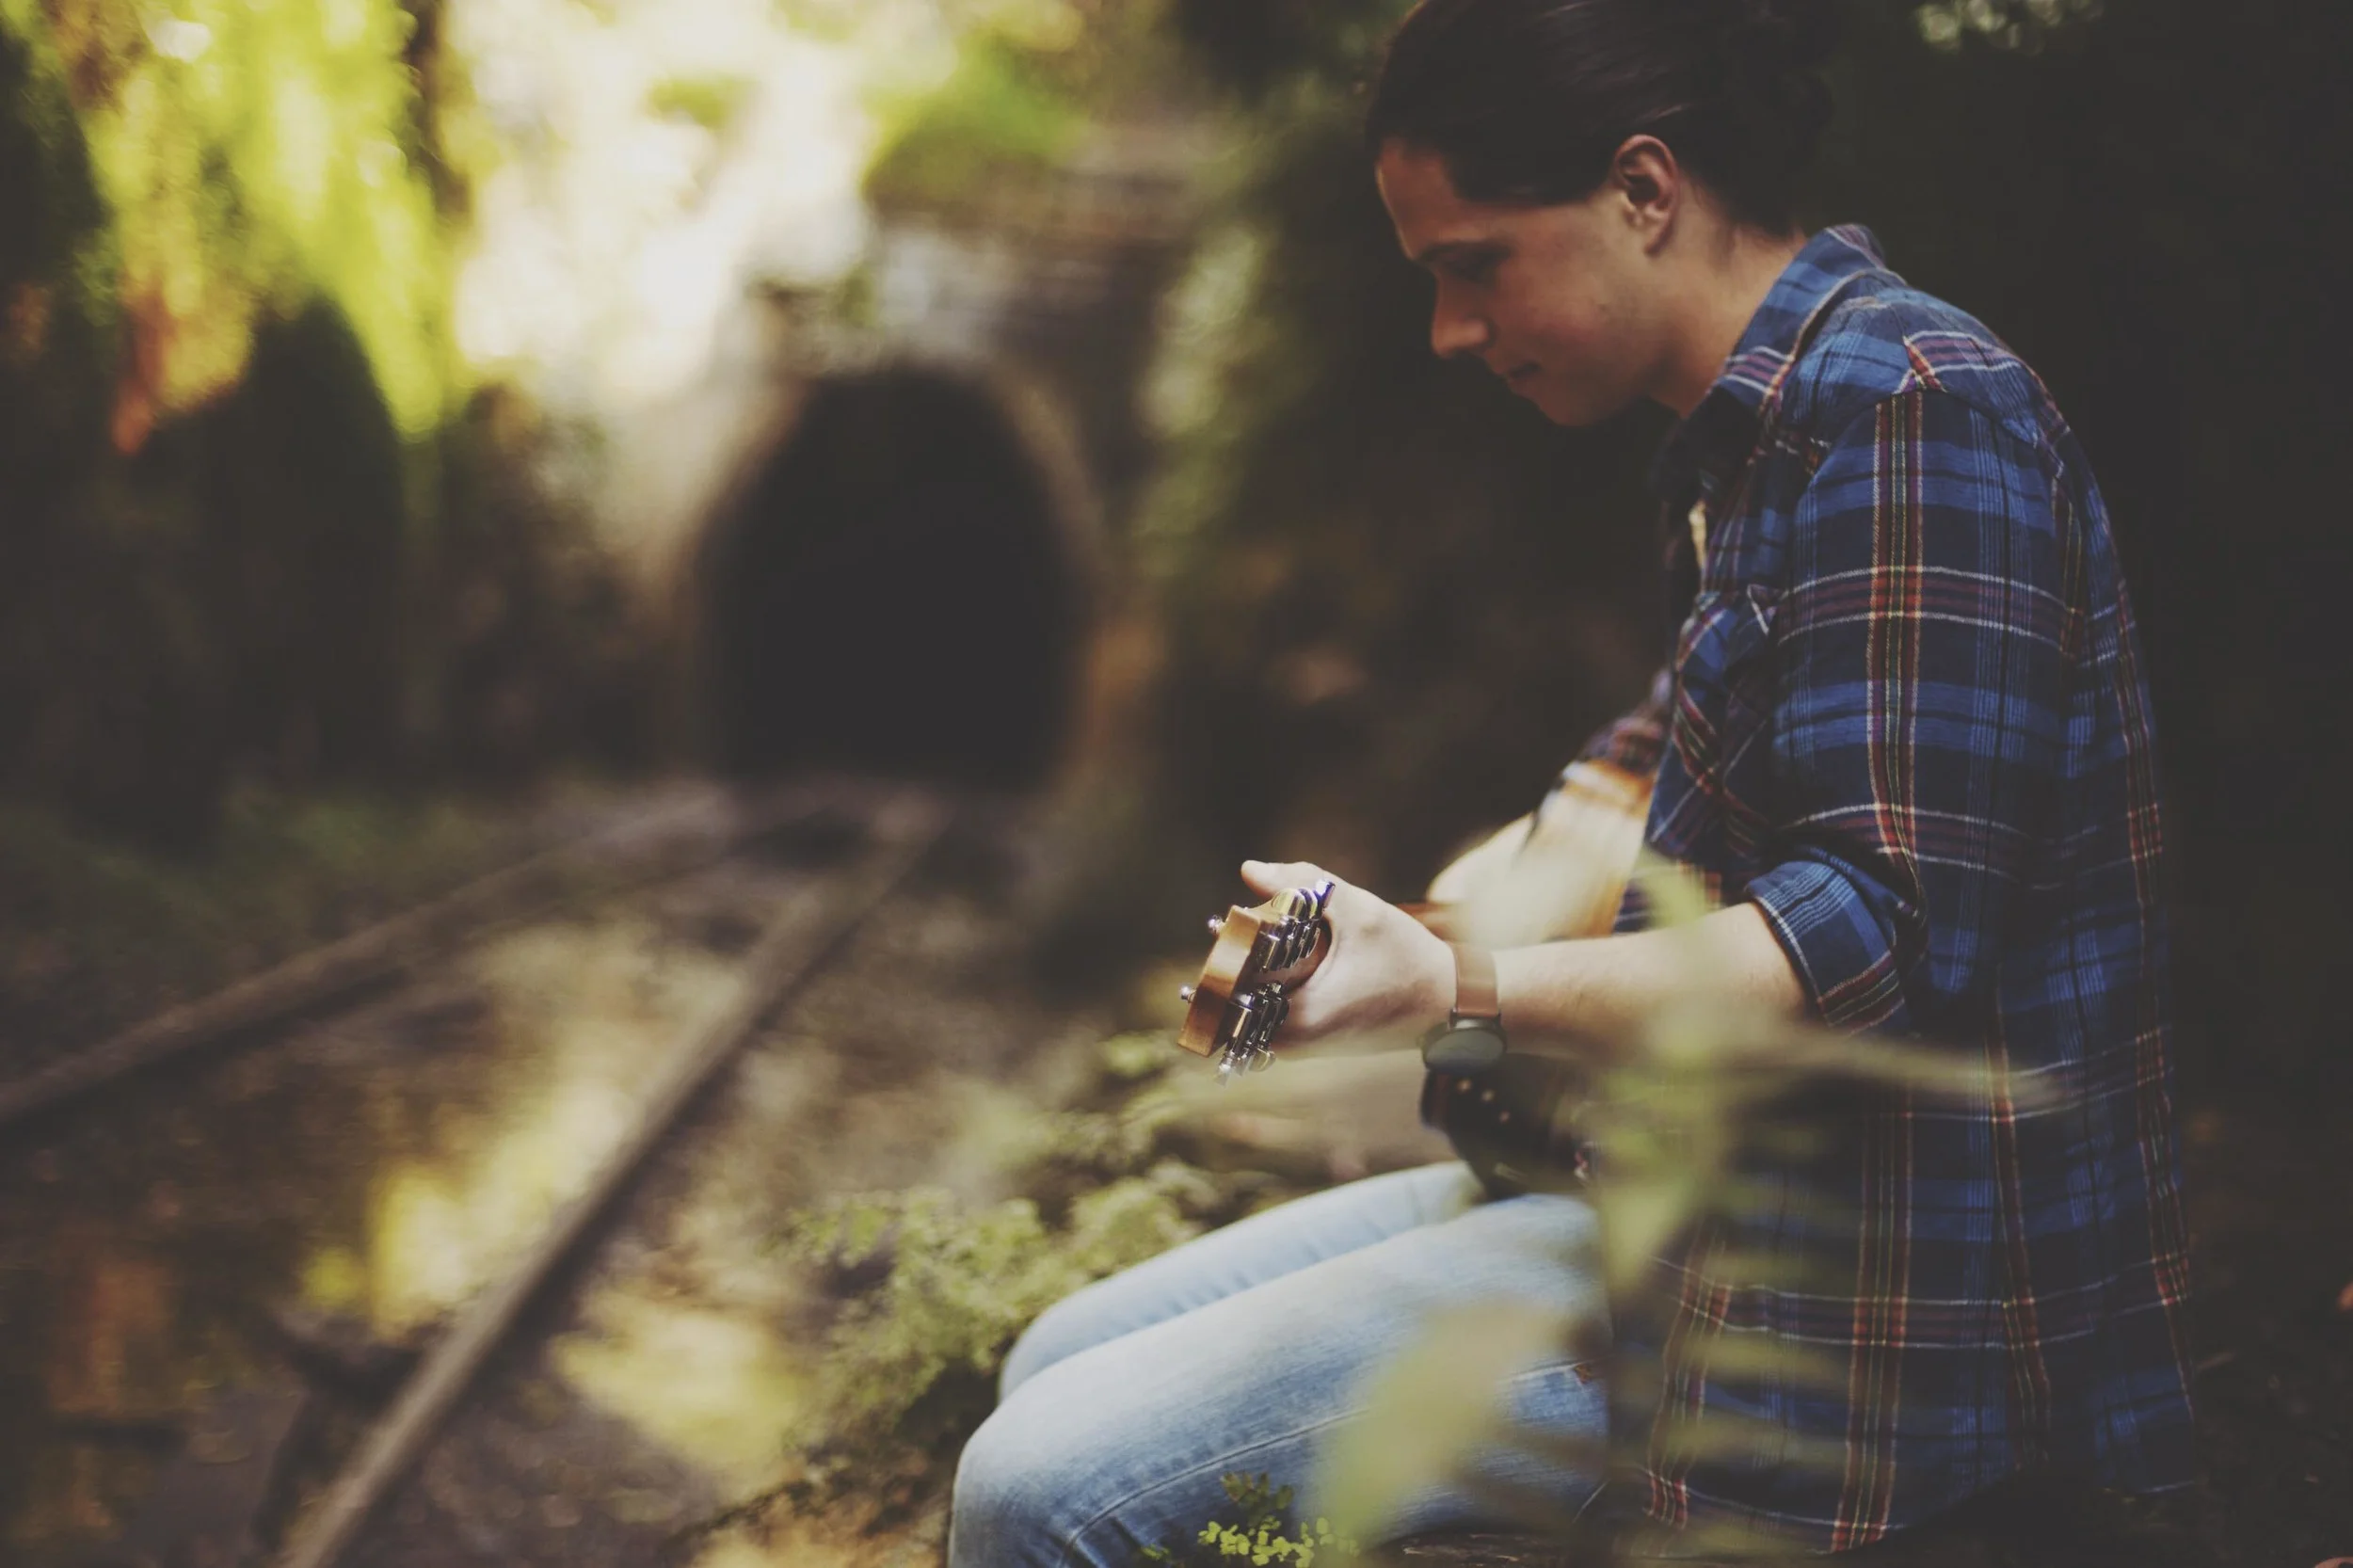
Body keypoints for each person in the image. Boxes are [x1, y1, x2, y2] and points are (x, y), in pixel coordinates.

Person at [948, 0, 2197, 1559]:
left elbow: (1868, 935)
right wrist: (1390, 930)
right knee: (1045, 1363)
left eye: (1473, 262)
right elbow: (1640, 765)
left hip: (1854, 1318)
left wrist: (1453, 978)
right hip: (1674, 1201)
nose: (1449, 330)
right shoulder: (1766, 441)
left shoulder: (1911, 416)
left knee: (1034, 1495)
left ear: (1645, 191)